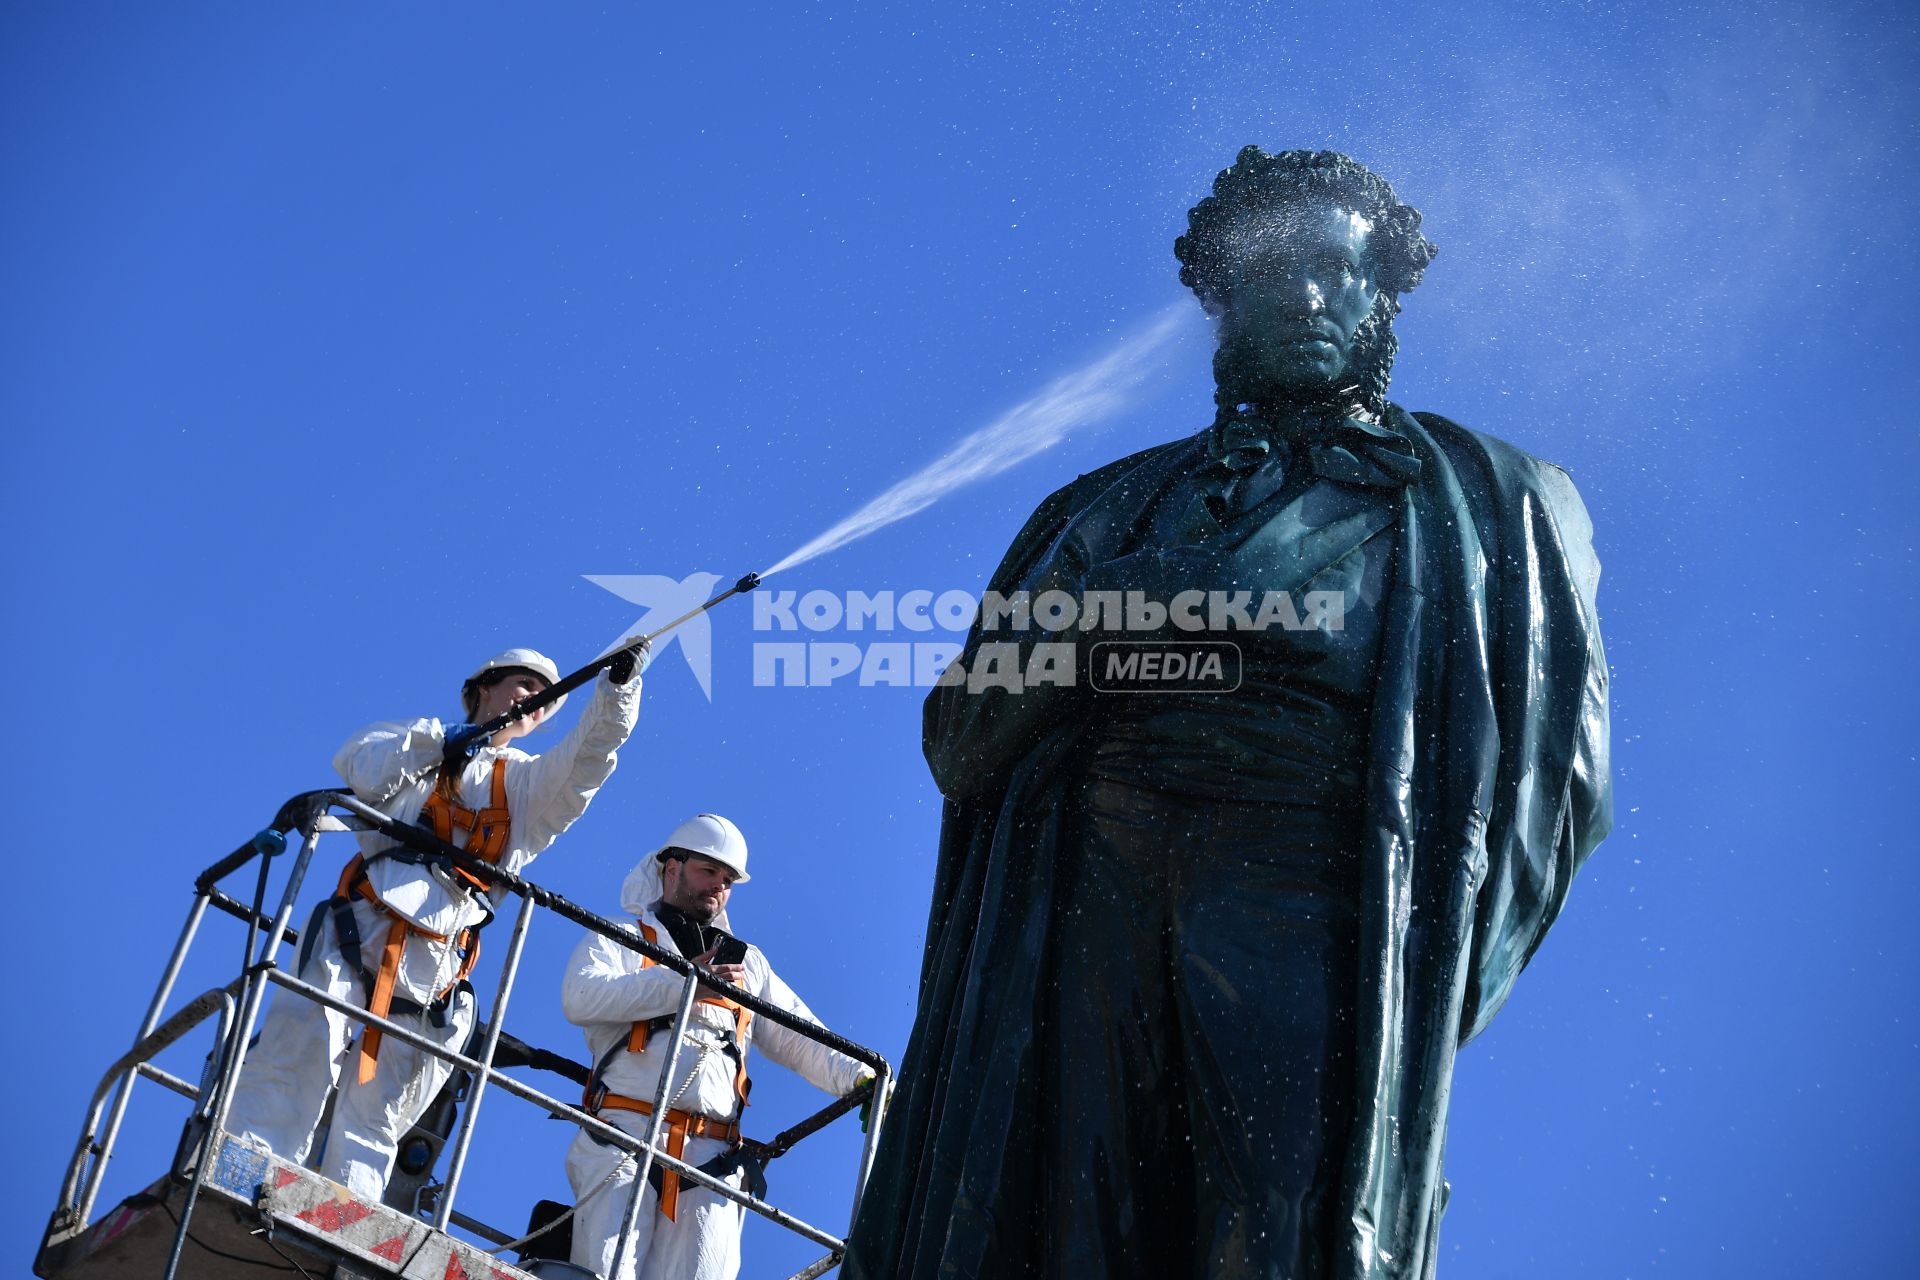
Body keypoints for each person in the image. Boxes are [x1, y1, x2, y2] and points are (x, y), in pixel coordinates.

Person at [845, 147, 1612, 1279]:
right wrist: (1096, 619)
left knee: (1281, 1219)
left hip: (1311, 874)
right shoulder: (1106, 505)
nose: (1304, 291)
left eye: (1335, 269)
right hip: (1093, 886)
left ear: (1382, 293)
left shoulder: (1489, 498)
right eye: (1272, 270)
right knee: (1068, 1220)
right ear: (1223, 299)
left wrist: (1431, 970)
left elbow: (1558, 782)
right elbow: (963, 741)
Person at [226, 644, 645, 1201]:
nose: (533, 703)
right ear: (484, 689)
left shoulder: (525, 787)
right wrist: (445, 740)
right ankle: (236, 1181)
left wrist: (616, 694)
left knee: (378, 1110)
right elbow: (358, 764)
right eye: (522, 687)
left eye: (542, 700)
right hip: (358, 930)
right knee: (297, 1052)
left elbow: (587, 763)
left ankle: (337, 1221)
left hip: (438, 964)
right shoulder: (419, 744)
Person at [562, 814, 868, 1280]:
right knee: (606, 1274)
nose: (718, 887)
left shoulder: (746, 965)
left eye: (728, 881)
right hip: (622, 1140)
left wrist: (859, 1078)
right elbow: (580, 996)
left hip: (712, 1161)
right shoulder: (622, 938)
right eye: (709, 871)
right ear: (671, 868)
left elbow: (801, 1037)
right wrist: (685, 985)